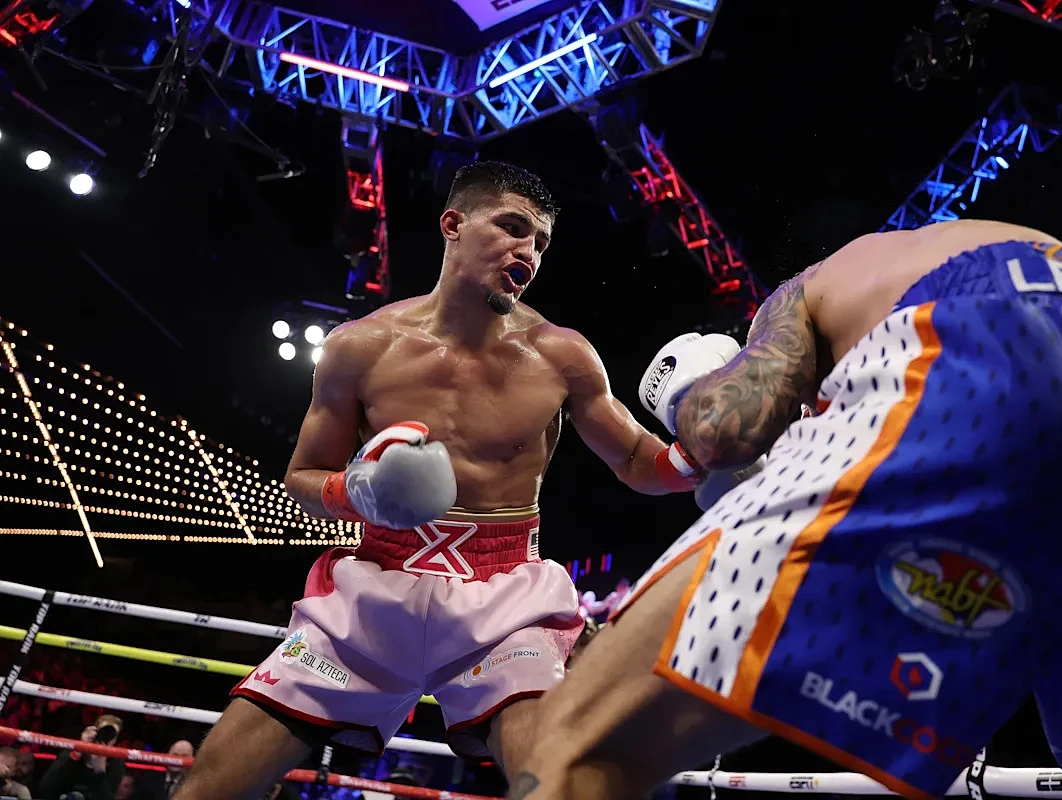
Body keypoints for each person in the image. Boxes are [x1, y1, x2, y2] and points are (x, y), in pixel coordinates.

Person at [506, 219, 1062, 800]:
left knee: (577, 742)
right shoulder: (923, 260)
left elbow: (725, 429)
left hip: (995, 334)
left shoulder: (804, 293)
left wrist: (688, 398)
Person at [174, 161, 725, 800]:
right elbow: (301, 476)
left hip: (505, 599)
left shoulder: (562, 355)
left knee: (553, 780)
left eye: (540, 242)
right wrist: (358, 493)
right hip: (374, 589)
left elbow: (635, 459)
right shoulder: (360, 347)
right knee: (213, 782)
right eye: (513, 227)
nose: (528, 252)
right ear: (453, 224)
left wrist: (702, 454)